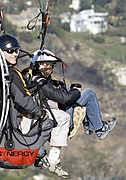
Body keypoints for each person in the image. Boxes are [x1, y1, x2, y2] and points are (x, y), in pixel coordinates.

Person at [28, 49, 116, 178]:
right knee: (89, 93)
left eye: (51, 64)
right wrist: (75, 91)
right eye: (45, 64)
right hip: (58, 121)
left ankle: (91, 124)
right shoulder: (41, 82)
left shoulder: (33, 79)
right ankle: (98, 128)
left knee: (78, 93)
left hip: (52, 115)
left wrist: (62, 88)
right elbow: (65, 99)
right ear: (37, 66)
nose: (49, 67)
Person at [0, 34, 54, 169]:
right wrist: (41, 113)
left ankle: (39, 153)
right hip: (13, 132)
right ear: (0, 52)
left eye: (17, 50)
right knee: (53, 120)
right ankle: (44, 156)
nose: (15, 54)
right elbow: (24, 100)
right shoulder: (11, 74)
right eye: (10, 51)